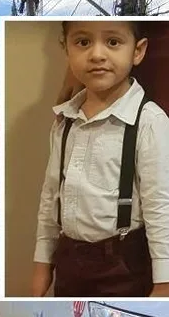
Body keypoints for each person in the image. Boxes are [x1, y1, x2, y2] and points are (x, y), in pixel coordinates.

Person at [31, 19, 169, 298]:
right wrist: (42, 264)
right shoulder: (64, 121)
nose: (96, 55)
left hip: (125, 267)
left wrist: (164, 283)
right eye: (82, 42)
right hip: (69, 262)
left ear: (138, 51)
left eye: (113, 42)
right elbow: (50, 197)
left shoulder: (150, 121)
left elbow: (161, 207)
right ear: (66, 50)